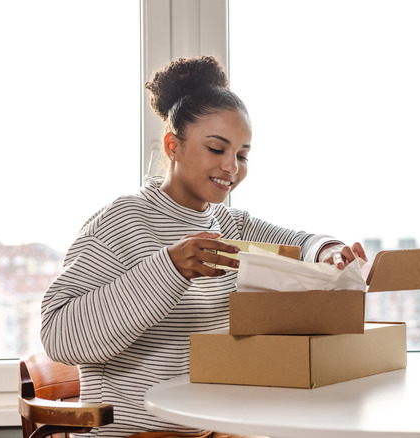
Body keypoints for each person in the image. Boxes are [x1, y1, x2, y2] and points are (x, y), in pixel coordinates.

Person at [40, 55, 367, 438]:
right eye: (217, 149)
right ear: (172, 146)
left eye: (243, 155)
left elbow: (299, 244)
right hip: (138, 435)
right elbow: (58, 334)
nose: (232, 167)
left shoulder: (229, 223)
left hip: (214, 429)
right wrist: (169, 268)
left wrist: (329, 252)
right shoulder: (124, 221)